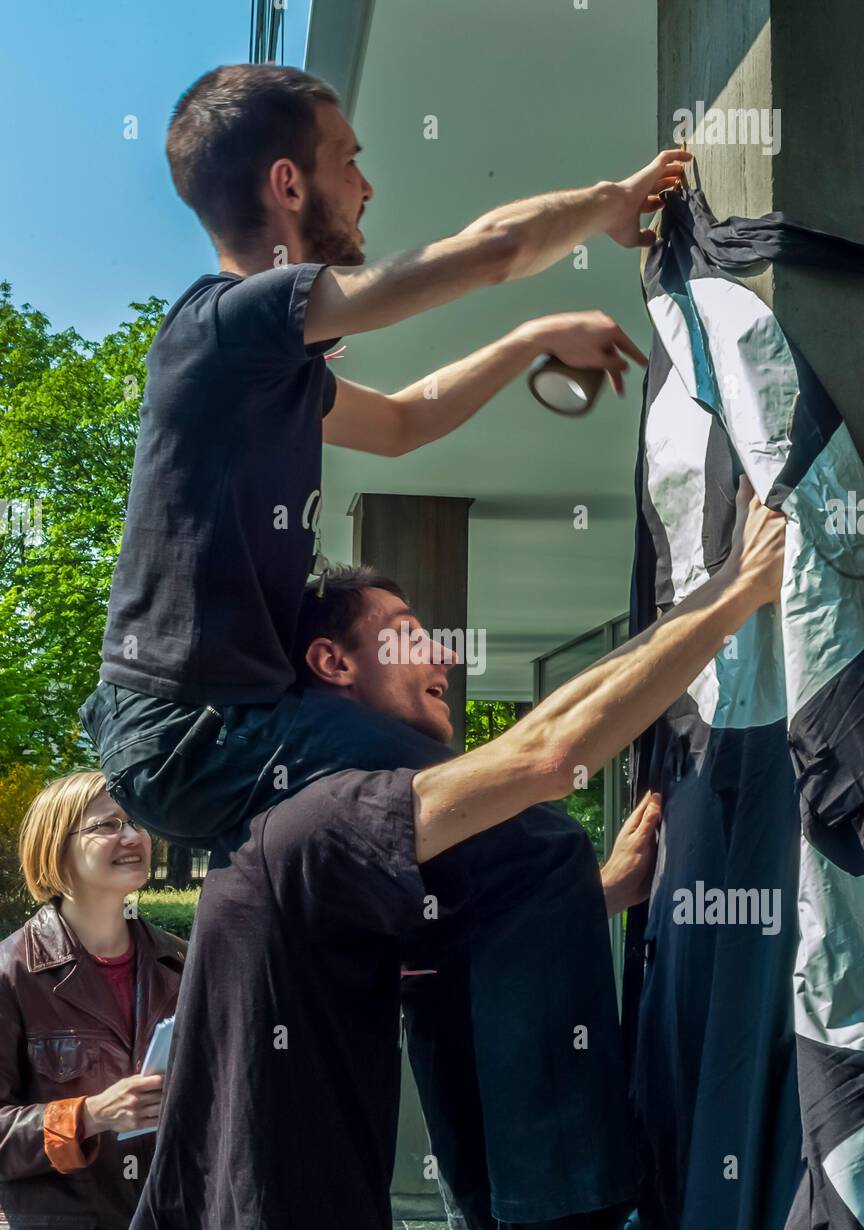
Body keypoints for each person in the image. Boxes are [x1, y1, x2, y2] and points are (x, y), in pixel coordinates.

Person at [127, 481, 785, 1230]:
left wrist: (603, 892)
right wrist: (738, 590)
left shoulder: (306, 820)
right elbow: (545, 754)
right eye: (409, 639)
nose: (444, 657)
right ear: (331, 663)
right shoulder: (322, 813)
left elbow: (453, 922)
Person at [78, 61, 691, 858]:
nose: (367, 189)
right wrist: (606, 204)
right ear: (289, 185)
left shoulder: (259, 370)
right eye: (350, 161)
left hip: (211, 727)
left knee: (465, 833)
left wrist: (527, 341)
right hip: (194, 733)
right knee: (520, 814)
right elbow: (493, 250)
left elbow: (405, 421)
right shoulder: (227, 322)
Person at [0, 772, 186, 1230]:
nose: (133, 836)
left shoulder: (179, 961)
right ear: (56, 849)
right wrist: (88, 1116)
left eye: (135, 821)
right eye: (108, 824)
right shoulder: (12, 974)